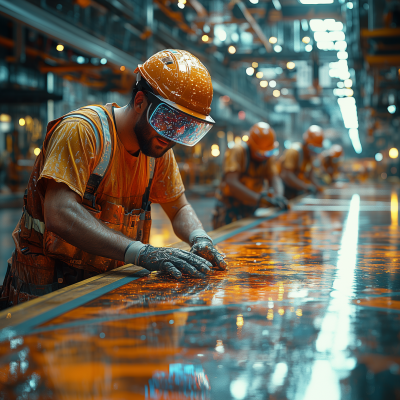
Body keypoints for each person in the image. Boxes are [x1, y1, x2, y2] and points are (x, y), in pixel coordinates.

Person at [0, 49, 227, 308]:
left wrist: (199, 237)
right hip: (42, 300)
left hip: (102, 293)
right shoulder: (83, 131)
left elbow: (179, 207)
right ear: (140, 101)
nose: (175, 134)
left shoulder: (157, 150)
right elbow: (59, 212)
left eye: (186, 127)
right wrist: (141, 253)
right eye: (168, 121)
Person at [213, 122, 288, 229]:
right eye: (260, 153)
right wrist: (259, 199)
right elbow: (231, 182)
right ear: (250, 144)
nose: (264, 156)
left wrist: (278, 197)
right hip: (229, 208)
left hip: (250, 207)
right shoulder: (238, 151)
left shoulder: (267, 156)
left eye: (267, 153)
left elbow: (274, 178)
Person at [279, 125, 325, 199]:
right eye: (312, 147)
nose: (314, 151)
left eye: (317, 149)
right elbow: (287, 175)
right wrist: (306, 186)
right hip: (285, 188)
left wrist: (319, 188)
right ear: (306, 142)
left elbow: (311, 176)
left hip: (296, 189)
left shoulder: (309, 156)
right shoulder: (294, 151)